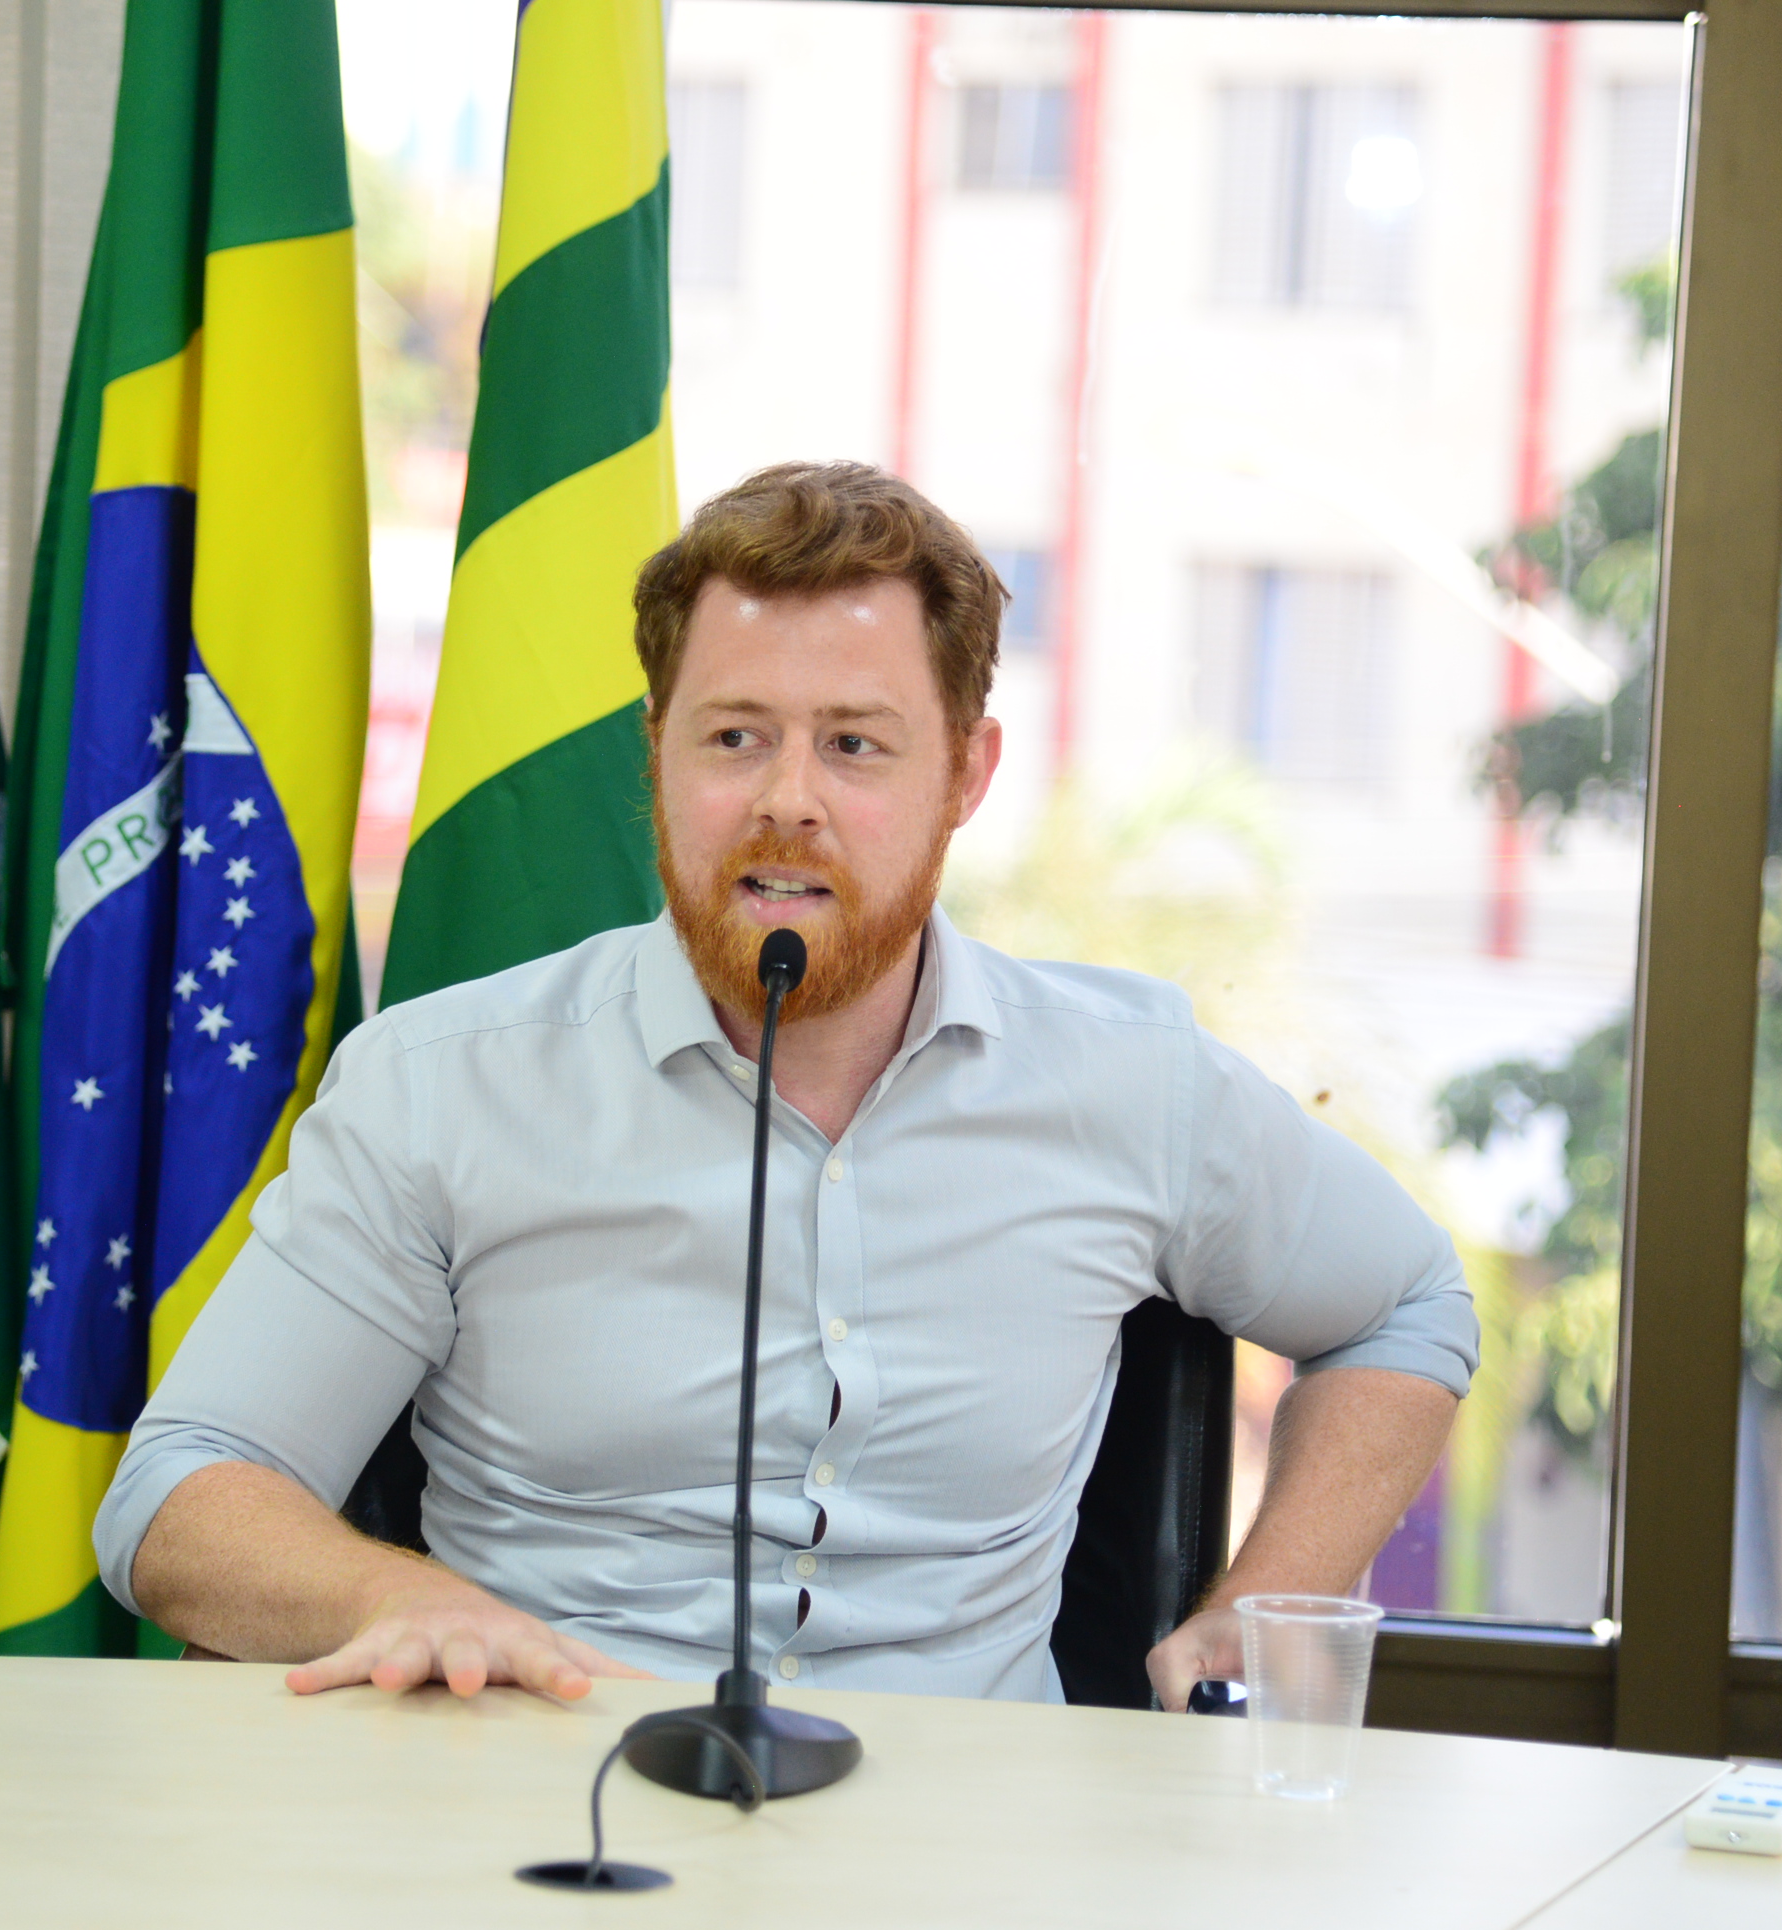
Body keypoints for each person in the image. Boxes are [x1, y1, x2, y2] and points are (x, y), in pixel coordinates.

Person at [96, 461, 1475, 1710]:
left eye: (855, 744)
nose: (788, 800)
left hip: (976, 1847)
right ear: (657, 752)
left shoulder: (1131, 1083)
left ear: (966, 773)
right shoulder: (441, 1089)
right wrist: (402, 1601)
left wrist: (1262, 1608)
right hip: (560, 1808)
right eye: (735, 737)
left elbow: (1407, 1306)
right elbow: (177, 1497)